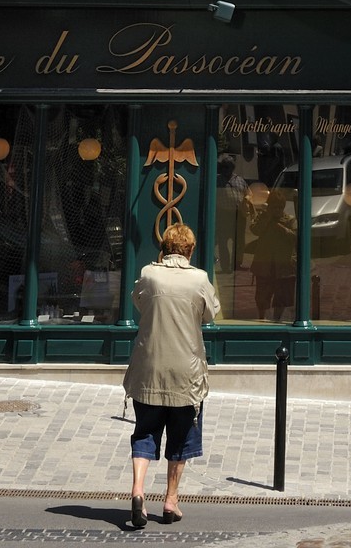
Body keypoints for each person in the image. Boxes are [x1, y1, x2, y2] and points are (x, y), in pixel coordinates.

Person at [123, 224, 220, 529]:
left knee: (144, 432)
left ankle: (138, 491)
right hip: (185, 373)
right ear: (190, 250)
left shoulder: (149, 274)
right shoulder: (199, 279)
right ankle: (170, 501)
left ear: (163, 248)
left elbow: (138, 302)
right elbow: (211, 314)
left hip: (149, 368)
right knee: (180, 439)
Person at [246, 187, 296, 319]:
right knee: (262, 297)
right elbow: (255, 230)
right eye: (274, 207)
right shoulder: (264, 218)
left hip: (283, 266)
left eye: (280, 207)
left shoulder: (289, 220)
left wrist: (281, 228)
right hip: (264, 265)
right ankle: (262, 318)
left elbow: (295, 237)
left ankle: (277, 319)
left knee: (282, 298)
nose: (277, 210)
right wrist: (267, 219)